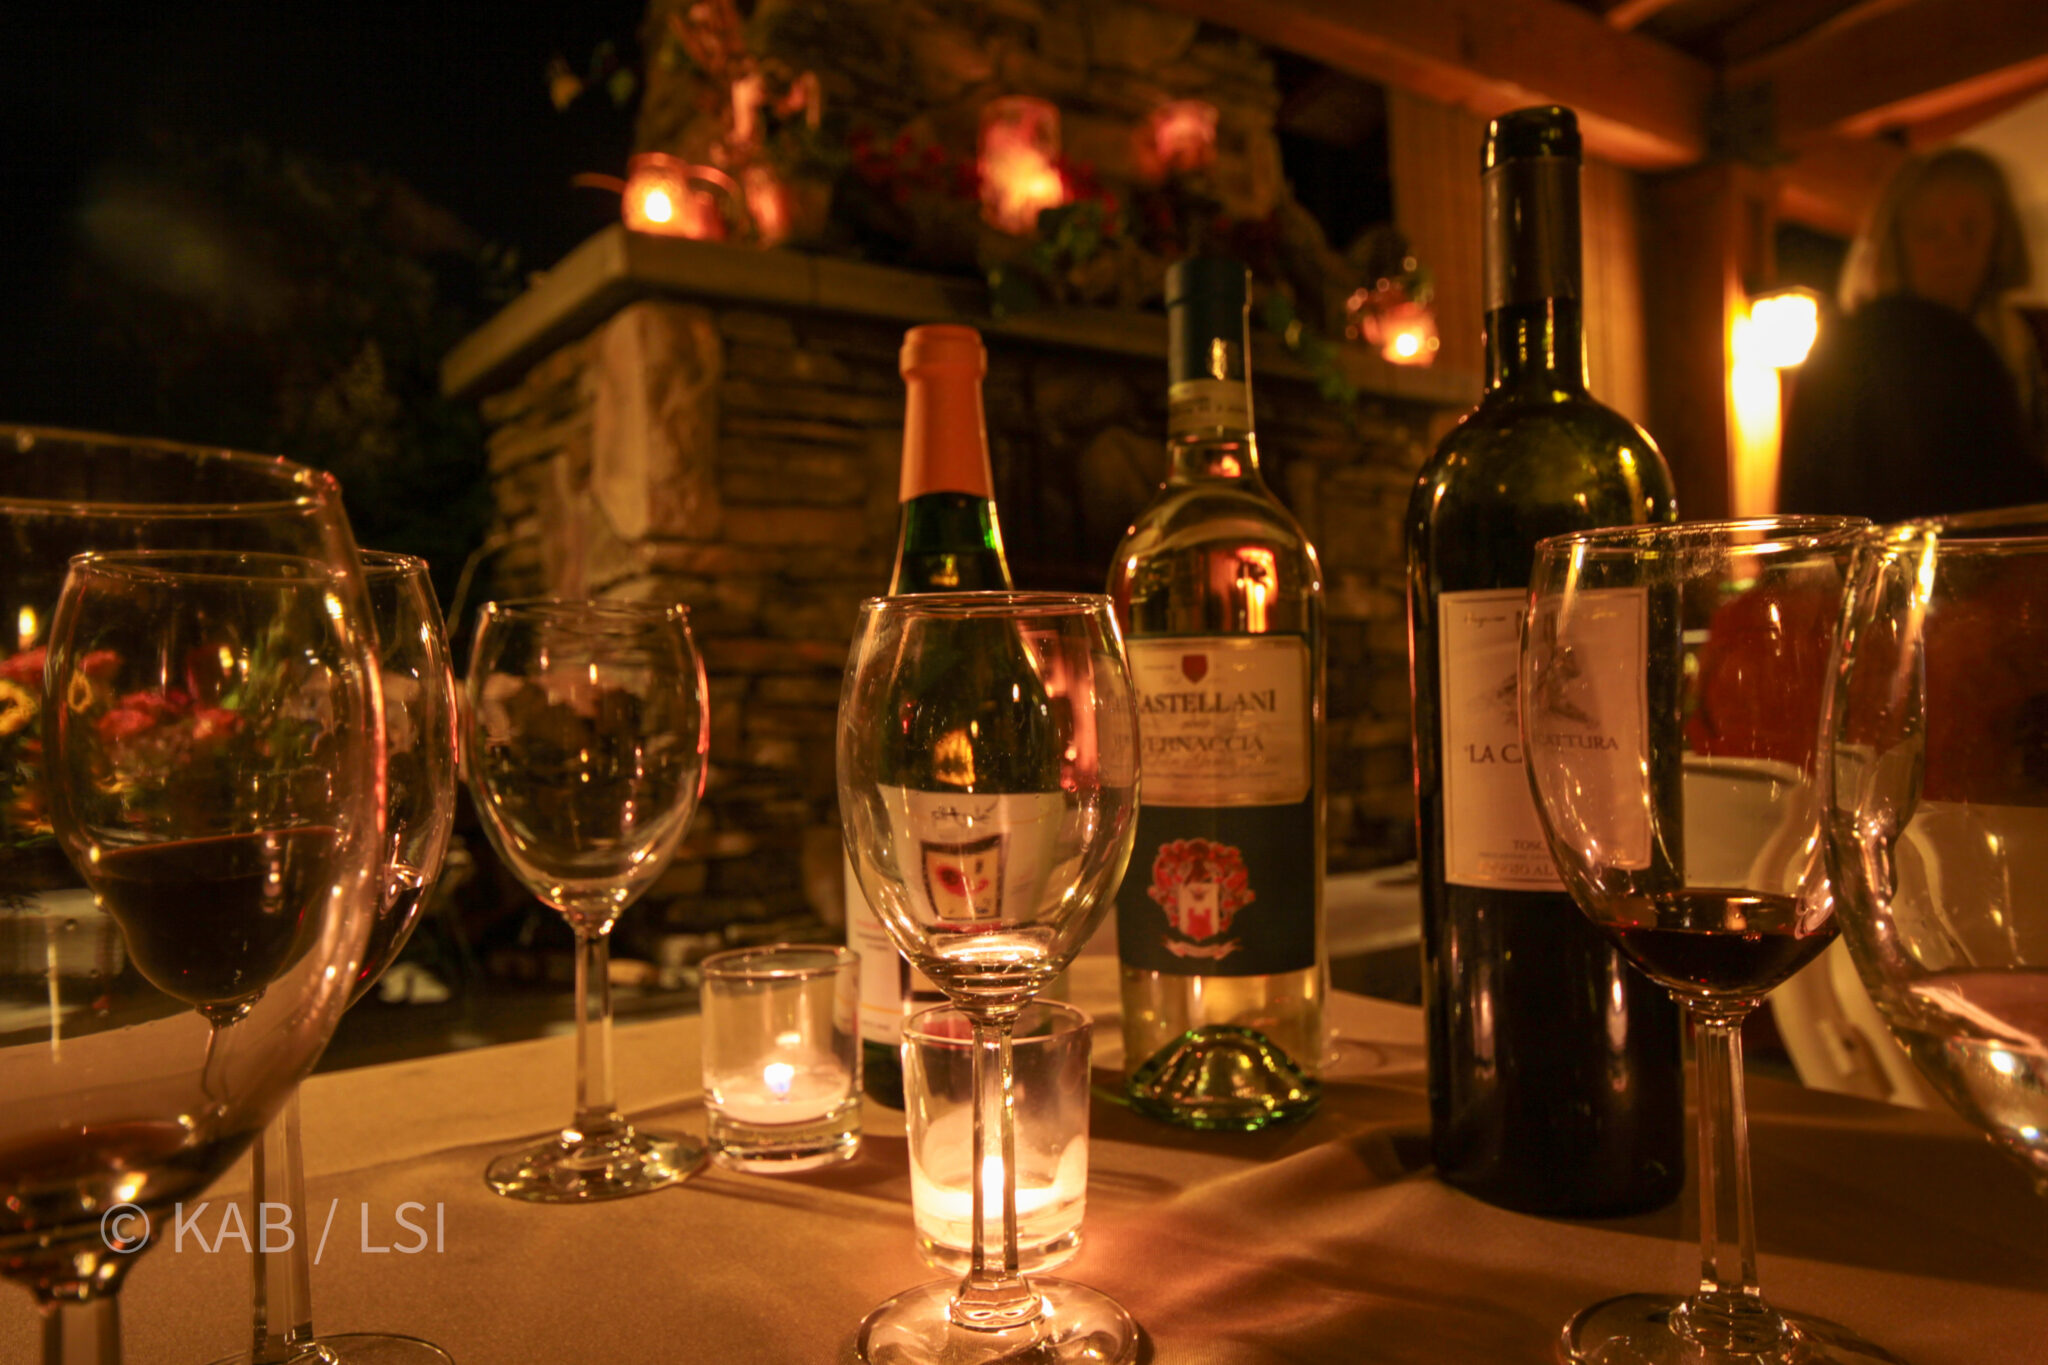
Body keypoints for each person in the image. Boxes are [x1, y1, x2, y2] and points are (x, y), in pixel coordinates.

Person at [1778, 146, 2048, 522]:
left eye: (1969, 229)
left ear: (1999, 238)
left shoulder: (2026, 342)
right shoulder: (1857, 345)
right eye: (1930, 232)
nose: (1952, 248)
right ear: (1898, 242)